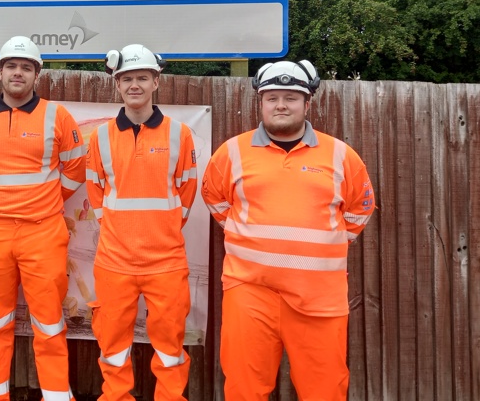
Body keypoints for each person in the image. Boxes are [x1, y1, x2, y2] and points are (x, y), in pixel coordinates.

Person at [201, 60, 376, 401]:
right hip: (249, 292)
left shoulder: (342, 156)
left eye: (291, 98)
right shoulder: (231, 152)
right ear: (261, 102)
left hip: (319, 298)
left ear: (307, 103)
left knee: (324, 390)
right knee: (243, 389)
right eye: (272, 97)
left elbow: (360, 209)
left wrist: (323, 247)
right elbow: (215, 200)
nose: (281, 105)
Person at [0, 36, 85, 400]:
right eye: (11, 66)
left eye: (26, 67)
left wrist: (45, 200)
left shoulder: (57, 116)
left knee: (49, 324)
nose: (18, 73)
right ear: (0, 72)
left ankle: (58, 396)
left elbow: (76, 167)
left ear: (36, 74)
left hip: (43, 232)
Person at [85, 44, 198, 401]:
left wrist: (160, 229)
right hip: (114, 260)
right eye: (127, 79)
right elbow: (94, 189)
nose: (134, 85)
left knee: (170, 344)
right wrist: (117, 227)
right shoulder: (100, 137)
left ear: (156, 82)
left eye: (142, 78)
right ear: (117, 84)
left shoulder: (180, 134)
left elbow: (188, 190)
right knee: (113, 343)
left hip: (165, 260)